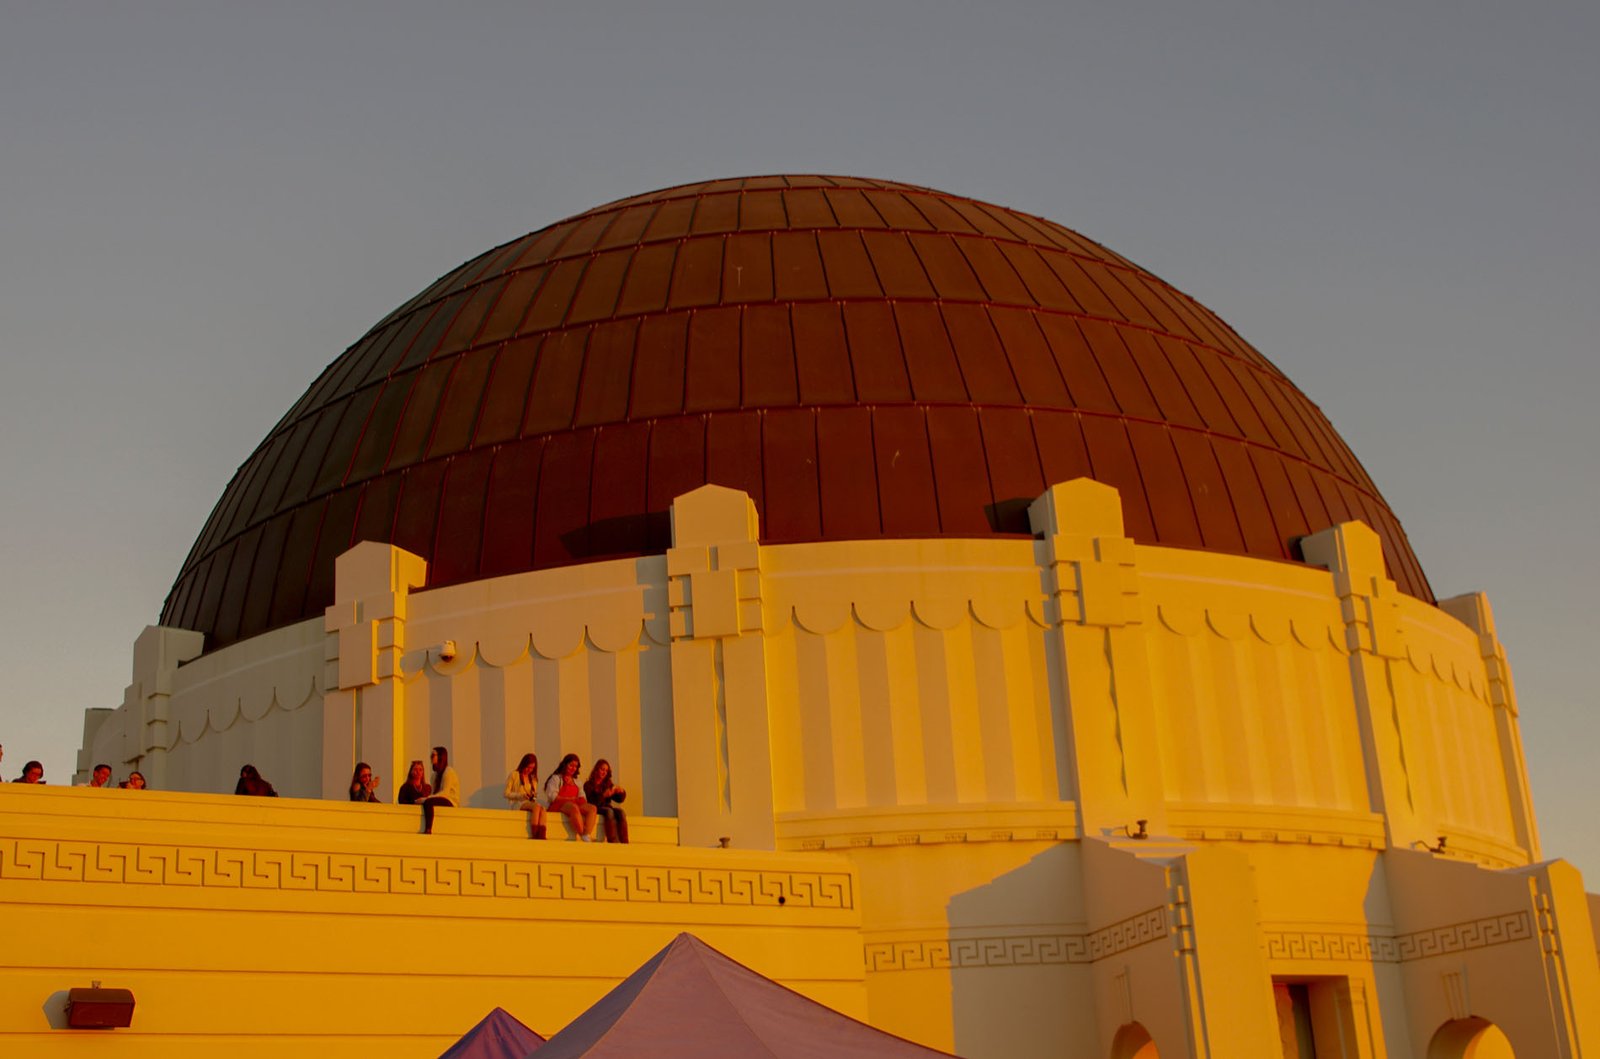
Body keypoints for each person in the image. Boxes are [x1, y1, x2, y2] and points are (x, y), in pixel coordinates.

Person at [543, 753, 597, 841]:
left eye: (575, 766)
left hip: (574, 803)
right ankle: (582, 834)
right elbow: (552, 797)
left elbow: (583, 797)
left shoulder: (577, 782)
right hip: (558, 805)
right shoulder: (556, 778)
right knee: (573, 807)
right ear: (565, 765)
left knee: (592, 808)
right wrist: (570, 799)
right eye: (571, 765)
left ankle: (586, 833)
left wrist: (578, 800)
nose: (573, 768)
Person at [584, 759, 629, 844]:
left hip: (607, 807)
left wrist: (621, 792)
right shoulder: (588, 785)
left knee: (621, 812)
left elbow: (619, 800)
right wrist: (603, 796)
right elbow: (590, 802)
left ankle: (624, 840)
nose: (604, 772)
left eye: (606, 770)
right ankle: (612, 840)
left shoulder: (607, 784)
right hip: (596, 808)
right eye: (602, 769)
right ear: (596, 770)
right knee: (609, 811)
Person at [504, 753, 547, 839]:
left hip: (529, 803)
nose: (529, 770)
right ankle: (535, 834)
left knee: (542, 809)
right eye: (528, 767)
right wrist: (520, 795)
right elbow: (506, 793)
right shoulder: (514, 775)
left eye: (532, 768)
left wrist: (532, 795)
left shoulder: (533, 778)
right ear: (523, 764)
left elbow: (533, 795)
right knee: (537, 807)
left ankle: (542, 834)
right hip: (518, 803)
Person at [419, 746, 459, 834]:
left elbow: (445, 793)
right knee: (425, 802)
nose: (431, 758)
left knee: (428, 802)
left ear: (441, 756)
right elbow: (434, 793)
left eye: (433, 755)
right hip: (440, 798)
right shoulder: (434, 775)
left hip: (450, 801)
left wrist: (427, 799)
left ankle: (428, 829)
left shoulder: (449, 772)